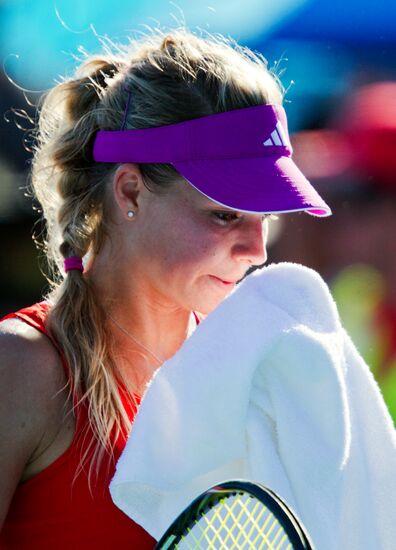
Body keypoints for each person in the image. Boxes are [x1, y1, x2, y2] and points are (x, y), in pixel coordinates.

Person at [0, 28, 331, 547]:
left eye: (263, 216)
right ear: (130, 190)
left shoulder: (253, 377)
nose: (257, 250)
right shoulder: (20, 369)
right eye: (225, 214)